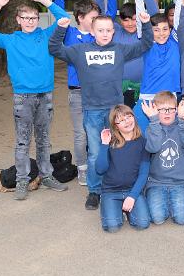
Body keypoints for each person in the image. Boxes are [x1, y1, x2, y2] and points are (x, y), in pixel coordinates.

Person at [48, 11, 153, 210]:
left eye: (108, 30)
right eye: (100, 30)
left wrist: (146, 24)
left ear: (113, 31)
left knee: (120, 148)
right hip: (93, 110)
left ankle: (119, 186)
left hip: (115, 111)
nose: (105, 34)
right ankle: (94, 191)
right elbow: (54, 48)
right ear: (92, 31)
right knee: (96, 152)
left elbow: (145, 44)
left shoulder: (119, 49)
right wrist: (61, 28)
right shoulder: (79, 50)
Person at [0, 0, 71, 200]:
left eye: (34, 18)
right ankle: (22, 180)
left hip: (45, 95)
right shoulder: (11, 40)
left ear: (38, 19)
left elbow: (64, 19)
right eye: (26, 18)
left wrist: (45, 0)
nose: (30, 21)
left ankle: (46, 175)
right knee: (23, 141)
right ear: (18, 20)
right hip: (23, 97)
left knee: (44, 139)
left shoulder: (46, 35)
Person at [53, 0, 109, 186]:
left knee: (101, 130)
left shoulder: (98, 36)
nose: (98, 21)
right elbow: (59, 15)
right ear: (80, 18)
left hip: (98, 91)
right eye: (93, 18)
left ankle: (101, 165)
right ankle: (83, 168)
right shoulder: (70, 34)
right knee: (81, 134)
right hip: (77, 92)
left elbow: (107, 11)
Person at [133, 0, 184, 132]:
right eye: (156, 30)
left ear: (170, 29)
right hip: (148, 98)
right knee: (144, 137)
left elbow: (177, 17)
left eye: (165, 29)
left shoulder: (174, 41)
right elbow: (140, 18)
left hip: (169, 99)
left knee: (168, 137)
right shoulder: (147, 43)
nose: (161, 33)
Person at [142, 93, 184, 226]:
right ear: (155, 111)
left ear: (176, 110)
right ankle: (165, 202)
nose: (167, 113)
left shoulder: (183, 126)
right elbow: (153, 148)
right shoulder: (151, 129)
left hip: (180, 182)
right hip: (156, 182)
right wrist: (154, 122)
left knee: (182, 219)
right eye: (162, 110)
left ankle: (175, 204)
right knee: (157, 218)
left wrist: (182, 121)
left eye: (170, 109)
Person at [96, 105, 151, 232]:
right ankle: (113, 207)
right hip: (111, 191)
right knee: (112, 227)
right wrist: (104, 144)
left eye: (129, 117)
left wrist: (132, 196)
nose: (127, 121)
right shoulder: (110, 142)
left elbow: (144, 173)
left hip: (132, 190)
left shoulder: (143, 142)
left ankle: (127, 208)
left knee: (142, 223)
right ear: (115, 126)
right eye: (121, 120)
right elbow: (100, 169)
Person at [113, 0, 159, 108]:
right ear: (120, 20)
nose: (130, 23)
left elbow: (154, 13)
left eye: (133, 19)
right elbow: (105, 14)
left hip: (143, 87)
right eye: (126, 20)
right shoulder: (114, 32)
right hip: (119, 88)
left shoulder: (143, 33)